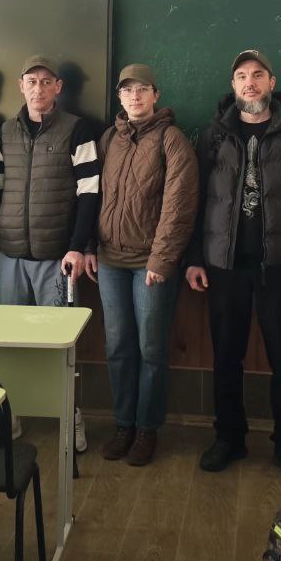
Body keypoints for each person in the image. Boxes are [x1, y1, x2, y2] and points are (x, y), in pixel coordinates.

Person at [186, 49, 281, 484]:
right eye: (241, 76)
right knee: (225, 357)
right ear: (233, 86)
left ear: (272, 82)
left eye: (257, 75)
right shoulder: (214, 136)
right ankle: (229, 438)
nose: (249, 82)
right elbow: (195, 200)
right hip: (224, 265)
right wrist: (194, 258)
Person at [0, 55, 100, 454]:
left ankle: (71, 416)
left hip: (57, 257)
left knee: (60, 346)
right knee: (9, 342)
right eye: (31, 81)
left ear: (58, 87)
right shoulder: (5, 132)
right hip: (10, 254)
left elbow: (90, 193)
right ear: (21, 86)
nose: (38, 88)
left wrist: (77, 247)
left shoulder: (77, 130)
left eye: (46, 82)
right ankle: (11, 414)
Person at [85, 64, 199, 466]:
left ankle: (147, 428)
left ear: (156, 95)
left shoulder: (172, 140)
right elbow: (92, 197)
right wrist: (89, 247)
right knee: (117, 345)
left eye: (142, 89)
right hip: (109, 261)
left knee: (151, 347)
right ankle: (124, 424)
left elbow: (179, 206)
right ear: (119, 97)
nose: (135, 96)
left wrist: (162, 259)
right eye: (127, 90)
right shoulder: (108, 139)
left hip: (150, 263)